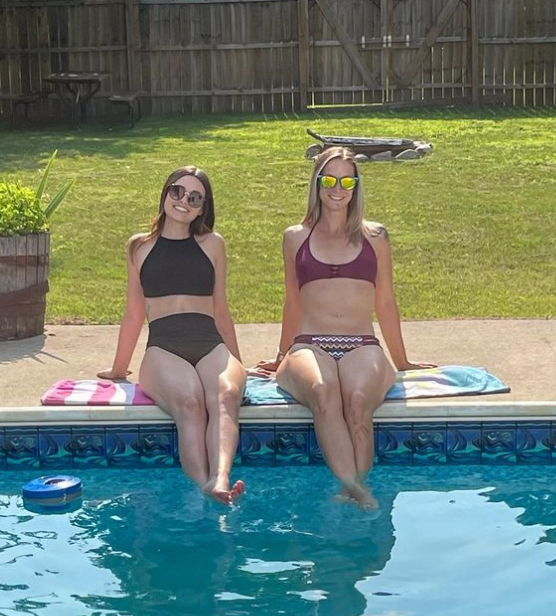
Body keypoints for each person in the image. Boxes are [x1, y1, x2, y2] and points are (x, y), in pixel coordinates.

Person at [259, 146, 435, 509]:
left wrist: (402, 361)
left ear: (356, 186)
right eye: (329, 180)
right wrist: (280, 357)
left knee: (356, 400)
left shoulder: (375, 237)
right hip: (310, 344)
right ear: (317, 183)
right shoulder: (295, 237)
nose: (337, 189)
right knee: (324, 391)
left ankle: (352, 486)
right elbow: (293, 303)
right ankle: (355, 488)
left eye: (346, 182)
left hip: (361, 344)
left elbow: (385, 303)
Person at [98, 166, 247, 506]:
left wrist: (237, 361)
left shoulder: (213, 244)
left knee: (225, 394)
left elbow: (221, 309)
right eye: (177, 191)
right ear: (166, 192)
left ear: (203, 207)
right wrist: (119, 368)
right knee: (190, 401)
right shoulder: (139, 246)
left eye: (195, 198)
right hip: (164, 347)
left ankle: (221, 478)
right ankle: (205, 485)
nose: (184, 201)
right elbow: (134, 312)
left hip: (210, 342)